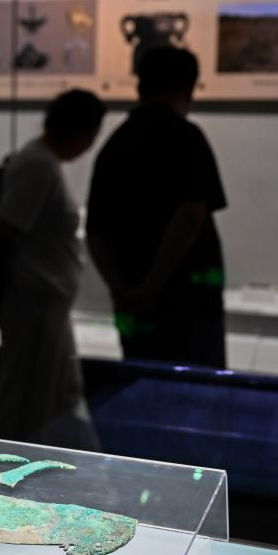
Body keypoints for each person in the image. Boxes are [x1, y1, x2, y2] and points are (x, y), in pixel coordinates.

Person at [0, 89, 106, 449]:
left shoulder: (42, 162)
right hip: (33, 304)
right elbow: (3, 226)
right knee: (24, 399)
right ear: (81, 131)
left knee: (55, 395)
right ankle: (0, 467)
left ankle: (71, 465)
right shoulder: (38, 165)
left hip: (43, 303)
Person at [87, 47, 228, 369]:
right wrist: (151, 288)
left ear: (140, 84)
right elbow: (190, 216)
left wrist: (122, 291)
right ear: (188, 88)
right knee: (193, 386)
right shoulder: (186, 137)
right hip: (187, 302)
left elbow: (96, 232)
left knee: (141, 380)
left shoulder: (117, 143)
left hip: (132, 301)